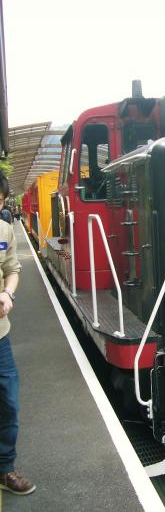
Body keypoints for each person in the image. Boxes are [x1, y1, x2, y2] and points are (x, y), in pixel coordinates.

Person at [0, 172, 35, 495]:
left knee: (8, 402)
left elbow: (12, 269)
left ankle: (5, 468)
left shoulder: (5, 229)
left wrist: (8, 294)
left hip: (0, 335)